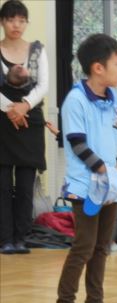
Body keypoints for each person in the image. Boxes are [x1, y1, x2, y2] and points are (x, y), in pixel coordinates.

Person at [52, 34, 117, 303]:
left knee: (102, 246)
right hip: (86, 187)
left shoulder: (116, 98)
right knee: (84, 245)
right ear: (98, 68)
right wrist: (104, 170)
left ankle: (95, 302)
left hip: (112, 186)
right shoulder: (75, 100)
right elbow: (77, 143)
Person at [0, 0, 49, 254]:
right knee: (3, 184)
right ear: (2, 22)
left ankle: (22, 237)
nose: (16, 25)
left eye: (21, 20)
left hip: (30, 121)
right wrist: (11, 109)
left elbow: (43, 86)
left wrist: (24, 106)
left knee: (26, 183)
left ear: (26, 22)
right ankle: (5, 238)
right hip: (3, 123)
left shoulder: (37, 49)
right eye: (10, 19)